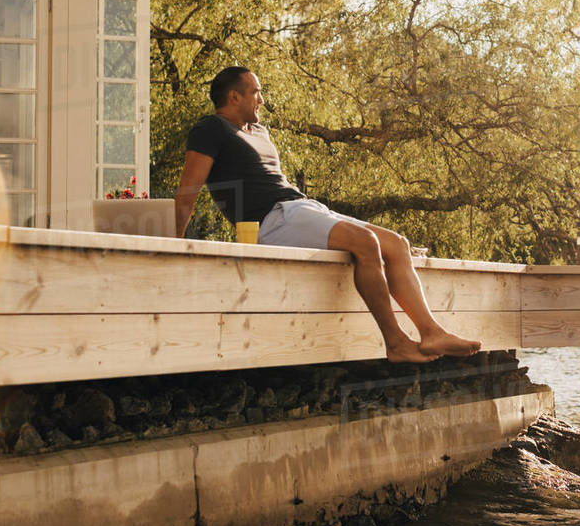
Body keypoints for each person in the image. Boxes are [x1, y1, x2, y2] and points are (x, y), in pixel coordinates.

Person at [174, 66, 481, 363]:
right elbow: (189, 188)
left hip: (301, 207)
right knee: (366, 242)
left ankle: (431, 332)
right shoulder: (210, 129)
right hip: (272, 218)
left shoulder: (259, 132)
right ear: (234, 97)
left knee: (397, 244)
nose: (262, 99)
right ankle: (396, 343)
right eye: (256, 92)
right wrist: (174, 242)